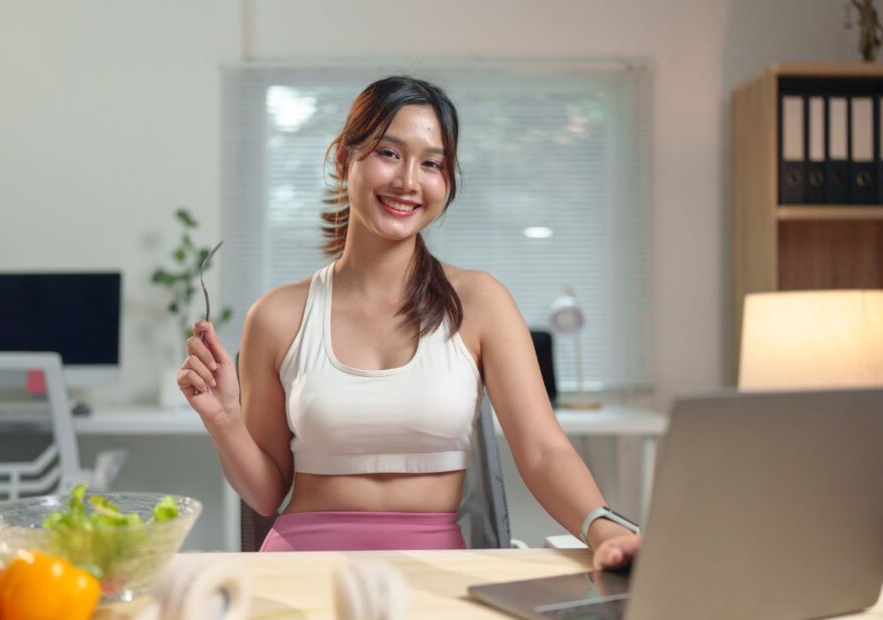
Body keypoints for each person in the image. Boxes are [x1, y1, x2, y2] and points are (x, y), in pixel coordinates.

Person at [178, 76, 641, 569]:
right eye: (389, 154)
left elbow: (545, 451)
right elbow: (267, 494)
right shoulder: (277, 315)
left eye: (432, 164)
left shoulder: (481, 303)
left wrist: (602, 527)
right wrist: (224, 420)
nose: (408, 182)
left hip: (438, 570)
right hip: (302, 566)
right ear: (343, 159)